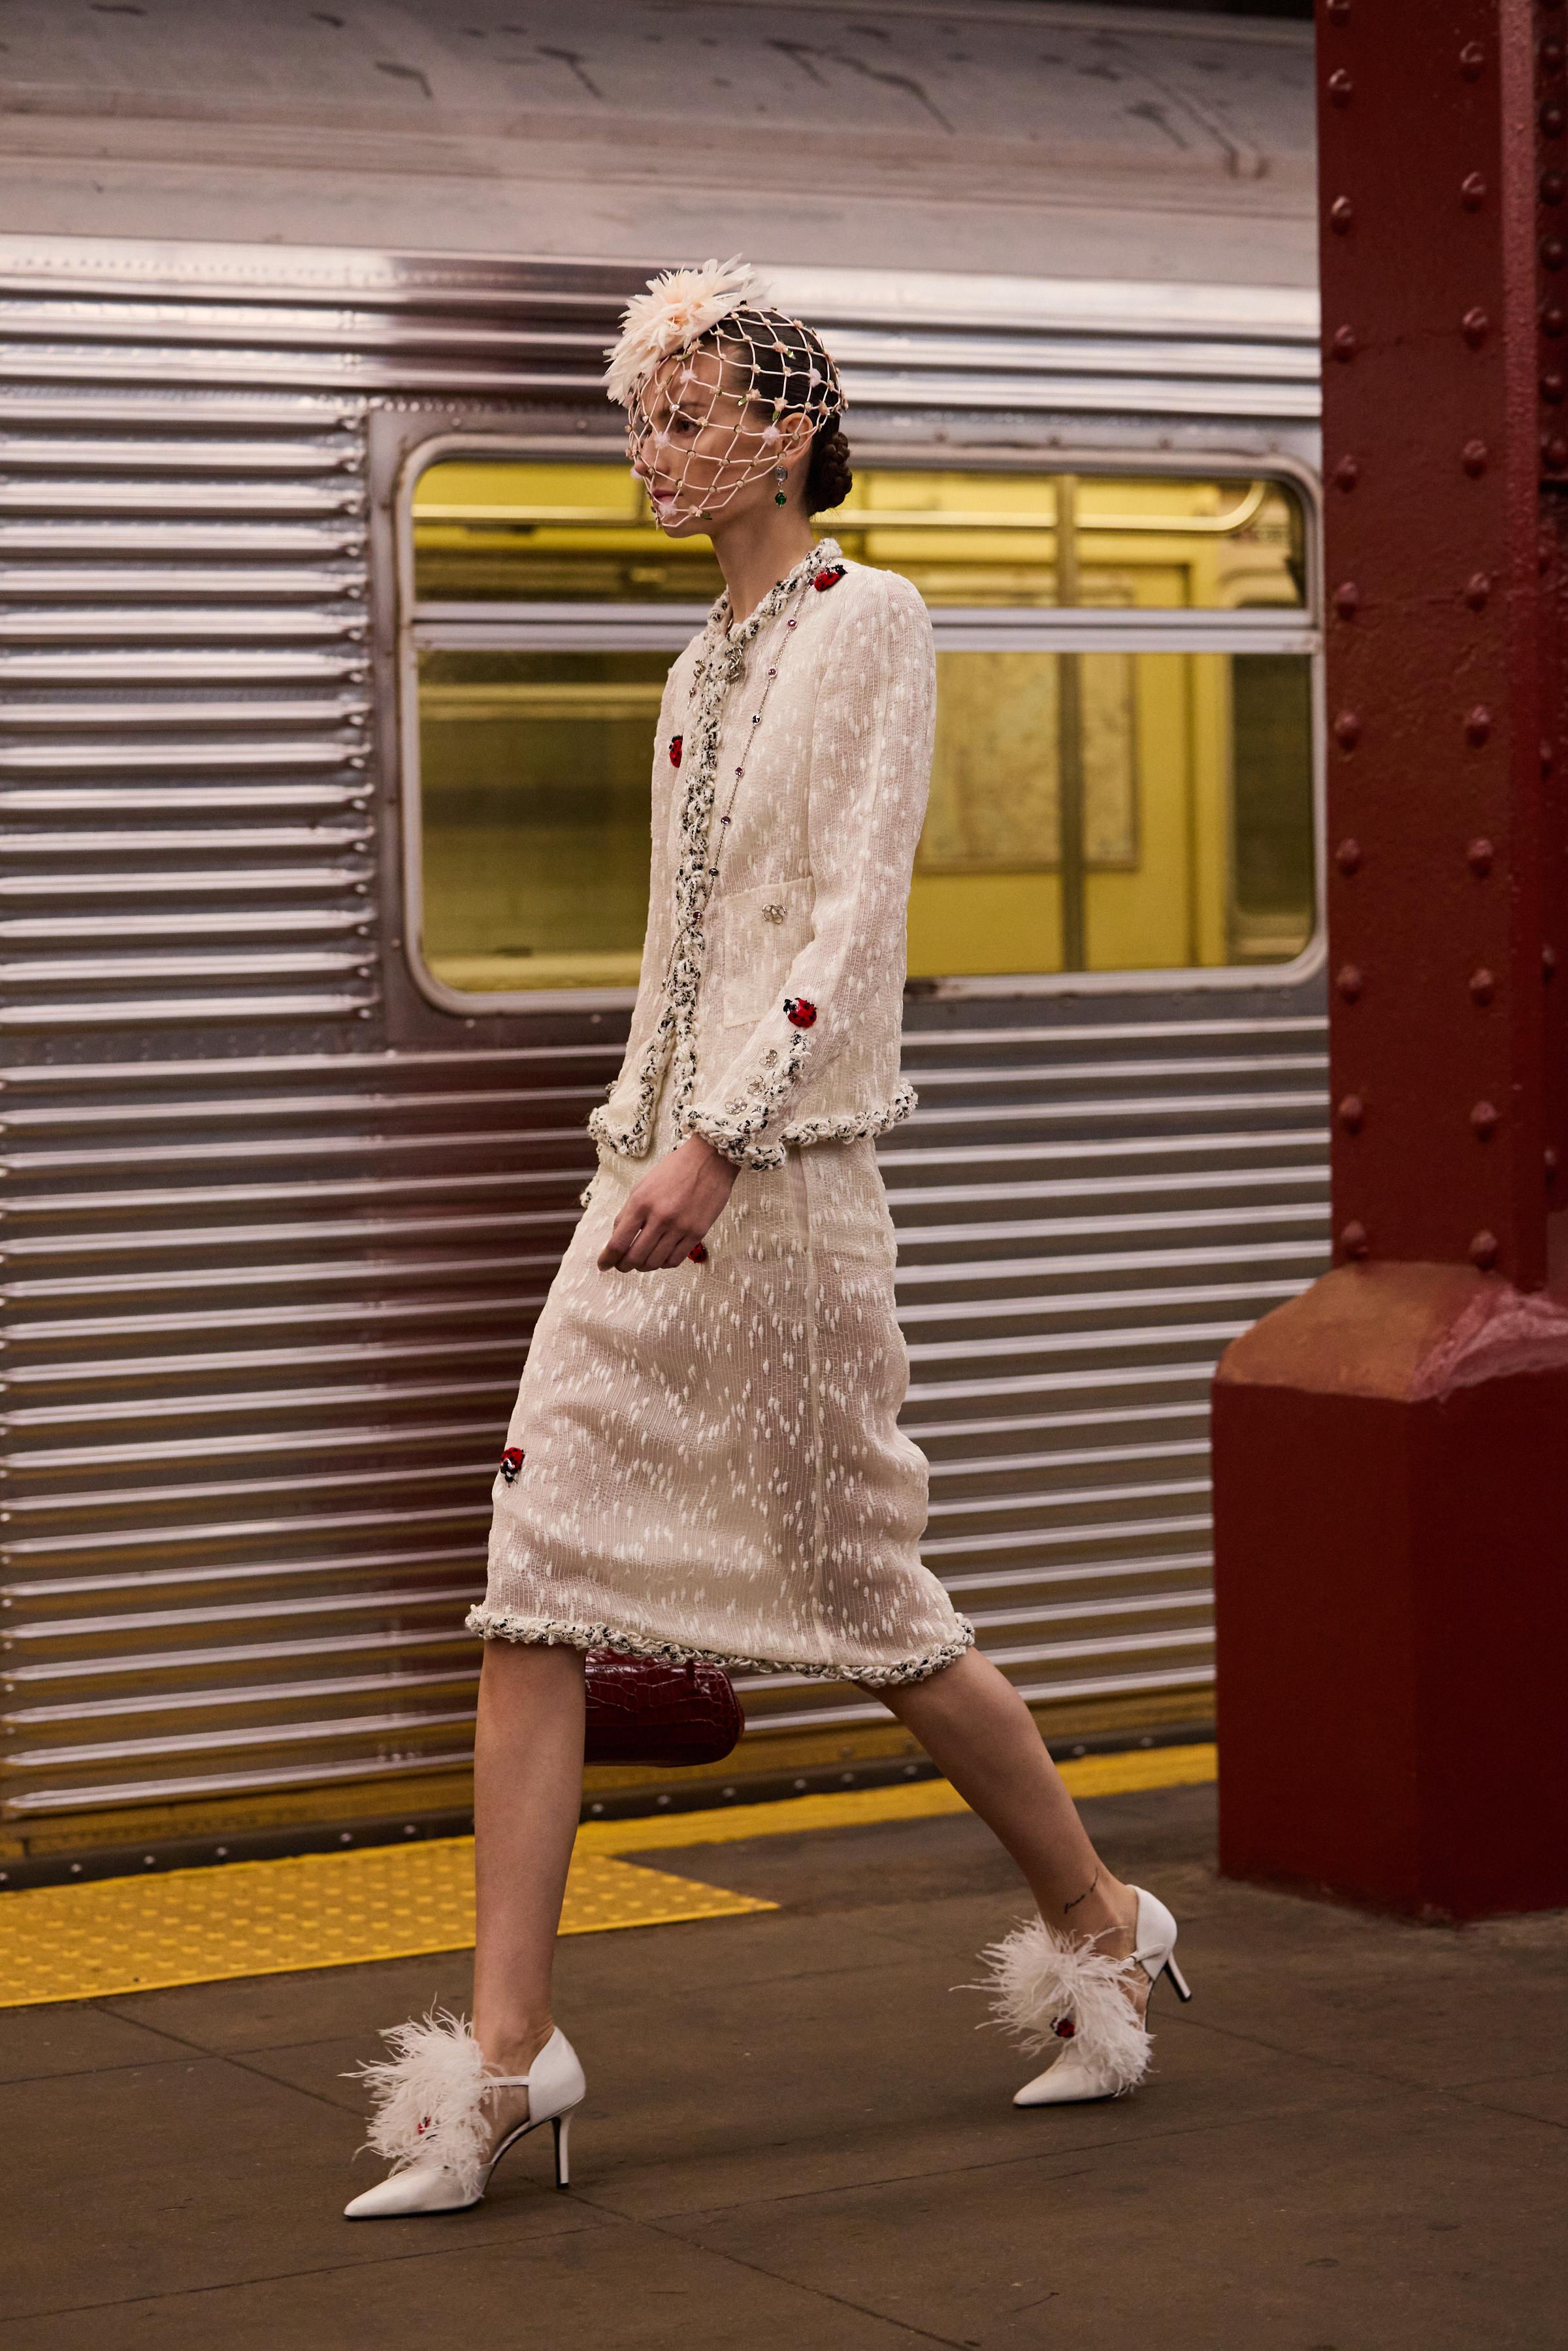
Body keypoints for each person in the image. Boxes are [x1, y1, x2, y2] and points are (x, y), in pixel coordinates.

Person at [343, 261, 1189, 2220]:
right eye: (644, 419)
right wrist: (639, 1142)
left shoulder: (870, 618)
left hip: (785, 1194)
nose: (657, 452)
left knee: (873, 1603)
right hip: (646, 1187)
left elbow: (851, 921)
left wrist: (722, 1143)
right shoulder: (692, 668)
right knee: (532, 1579)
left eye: (693, 416)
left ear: (791, 431)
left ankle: (1099, 1917)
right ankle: (504, 2060)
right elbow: (681, 953)